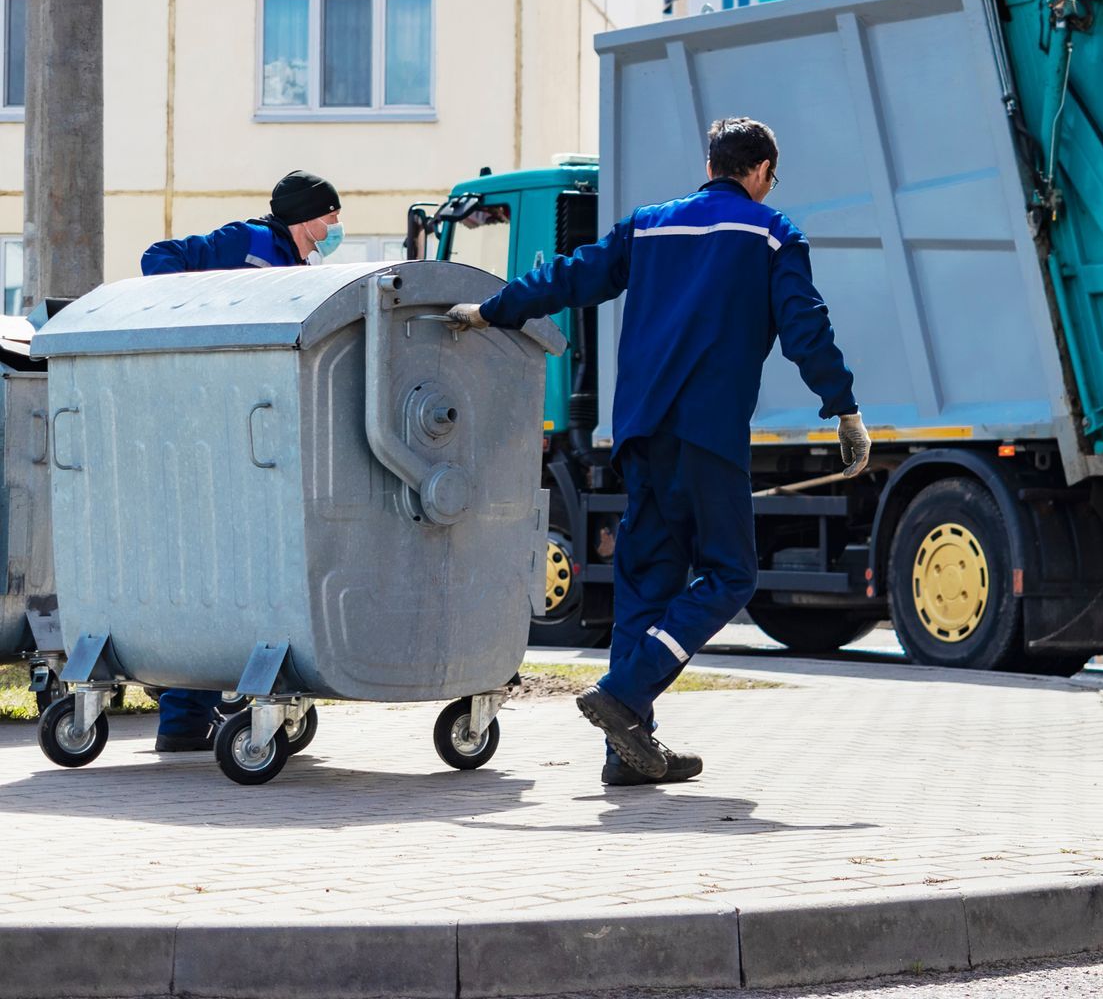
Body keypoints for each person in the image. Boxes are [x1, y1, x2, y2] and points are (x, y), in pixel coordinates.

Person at [448, 117, 868, 785]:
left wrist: (491, 310)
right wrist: (843, 407)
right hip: (709, 434)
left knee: (644, 585)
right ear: (759, 171)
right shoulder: (772, 232)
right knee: (731, 576)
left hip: (640, 433)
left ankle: (627, 754)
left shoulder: (649, 226)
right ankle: (626, 693)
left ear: (710, 164)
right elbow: (804, 327)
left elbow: (571, 275)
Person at [140, 169, 344, 752]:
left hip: (263, 432)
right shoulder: (247, 242)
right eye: (330, 216)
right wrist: (202, 318)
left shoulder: (302, 271)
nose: (335, 227)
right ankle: (183, 718)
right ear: (306, 216)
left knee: (244, 573)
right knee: (215, 564)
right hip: (219, 422)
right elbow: (159, 257)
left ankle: (200, 715)